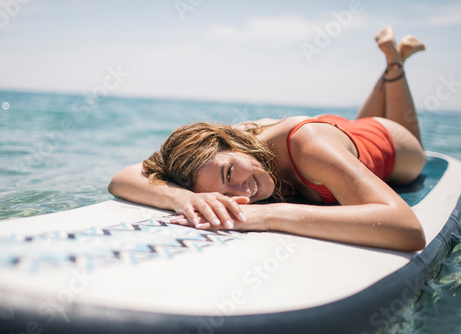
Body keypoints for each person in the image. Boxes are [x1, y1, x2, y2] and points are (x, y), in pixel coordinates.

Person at [109, 26, 427, 252]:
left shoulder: (307, 145)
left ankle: (394, 61)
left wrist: (266, 215)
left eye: (230, 174)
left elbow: (407, 229)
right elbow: (123, 178)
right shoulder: (221, 151)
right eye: (225, 194)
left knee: (407, 144)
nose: (243, 193)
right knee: (352, 126)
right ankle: (392, 58)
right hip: (337, 137)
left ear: (233, 143)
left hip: (388, 140)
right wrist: (184, 199)